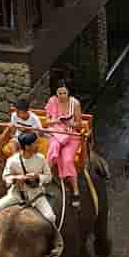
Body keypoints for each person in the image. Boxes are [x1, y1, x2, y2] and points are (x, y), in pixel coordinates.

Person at [0, 130, 63, 257]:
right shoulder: (12, 161)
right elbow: (5, 177)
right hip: (16, 194)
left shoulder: (40, 159)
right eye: (35, 143)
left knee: (51, 217)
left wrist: (37, 177)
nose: (38, 145)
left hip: (36, 196)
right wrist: (16, 178)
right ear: (27, 146)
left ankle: (54, 244)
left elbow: (48, 177)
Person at [45, 81, 85, 209]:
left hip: (71, 135)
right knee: (53, 148)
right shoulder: (52, 101)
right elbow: (47, 122)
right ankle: (43, 178)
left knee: (67, 159)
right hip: (56, 132)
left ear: (68, 92)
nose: (61, 95)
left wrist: (69, 124)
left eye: (64, 93)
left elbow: (79, 124)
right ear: (56, 93)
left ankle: (75, 191)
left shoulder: (75, 103)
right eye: (59, 93)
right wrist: (56, 121)